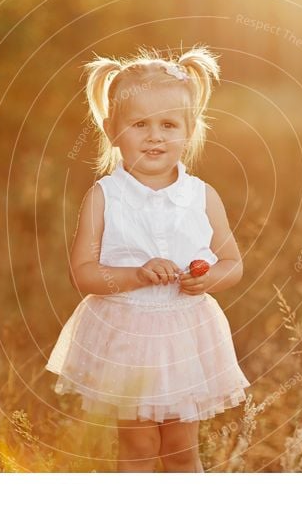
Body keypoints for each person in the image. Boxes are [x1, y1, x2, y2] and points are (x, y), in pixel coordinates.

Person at [46, 45, 250, 473]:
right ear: (111, 129)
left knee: (180, 447)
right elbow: (84, 273)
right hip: (128, 334)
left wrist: (208, 279)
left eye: (168, 124)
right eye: (140, 124)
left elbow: (232, 262)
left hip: (185, 332)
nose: (155, 136)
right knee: (137, 446)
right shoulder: (104, 197)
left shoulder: (201, 196)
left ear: (189, 129)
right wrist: (134, 275)